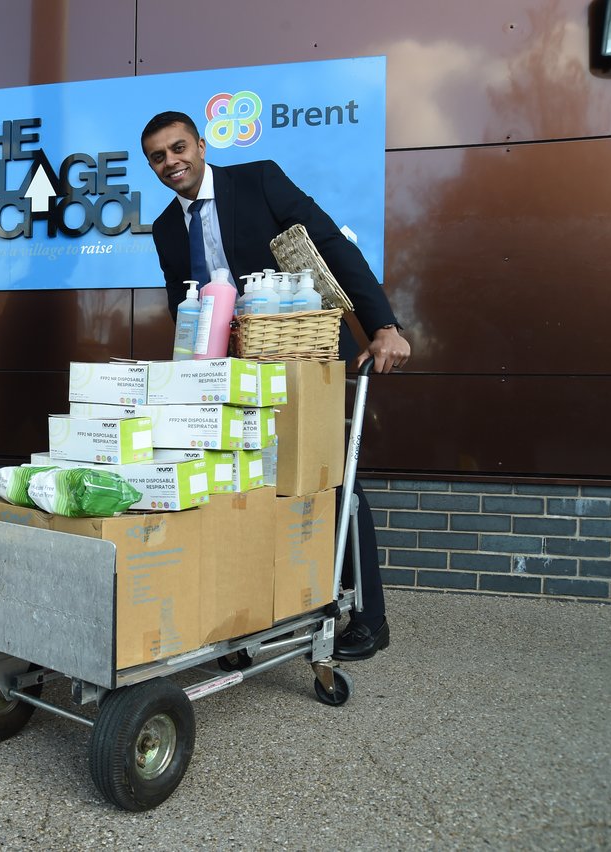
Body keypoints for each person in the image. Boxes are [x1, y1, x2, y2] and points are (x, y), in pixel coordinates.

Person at [140, 110, 412, 660]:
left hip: (300, 356)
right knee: (239, 488)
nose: (172, 162)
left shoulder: (257, 179)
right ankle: (252, 615)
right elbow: (182, 305)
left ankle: (368, 616)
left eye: (179, 148)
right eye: (158, 157)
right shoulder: (168, 227)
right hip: (230, 375)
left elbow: (332, 245)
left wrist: (383, 326)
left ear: (200, 144)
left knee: (326, 483)